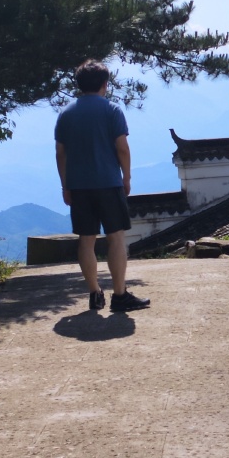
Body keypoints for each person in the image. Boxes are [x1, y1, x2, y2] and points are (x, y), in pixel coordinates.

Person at [55, 59, 150, 312]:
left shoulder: (66, 113)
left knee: (86, 241)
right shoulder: (112, 110)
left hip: (78, 186)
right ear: (105, 85)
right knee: (116, 238)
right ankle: (120, 296)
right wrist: (126, 178)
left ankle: (94, 293)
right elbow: (122, 148)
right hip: (108, 183)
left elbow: (60, 153)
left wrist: (66, 185)